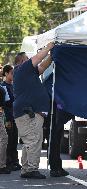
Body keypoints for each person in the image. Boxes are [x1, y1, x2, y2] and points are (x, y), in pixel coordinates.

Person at [13, 42, 54, 179]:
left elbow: (42, 67)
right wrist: (49, 47)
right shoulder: (22, 68)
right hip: (28, 113)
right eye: (27, 58)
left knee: (29, 141)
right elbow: (38, 59)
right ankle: (31, 169)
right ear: (23, 61)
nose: (30, 59)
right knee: (34, 140)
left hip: (28, 112)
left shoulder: (26, 72)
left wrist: (52, 56)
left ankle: (26, 168)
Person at [2, 65, 22, 171]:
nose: (13, 75)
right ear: (6, 74)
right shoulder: (3, 87)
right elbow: (5, 104)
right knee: (8, 140)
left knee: (15, 140)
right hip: (8, 116)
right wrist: (7, 119)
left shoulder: (14, 86)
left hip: (15, 116)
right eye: (11, 73)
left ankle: (15, 161)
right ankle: (8, 161)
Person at [49, 105, 74, 177]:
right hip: (54, 113)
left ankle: (57, 166)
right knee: (54, 141)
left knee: (57, 140)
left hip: (58, 111)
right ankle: (54, 168)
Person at [0, 84, 10, 174]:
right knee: (3, 138)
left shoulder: (2, 87)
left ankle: (2, 164)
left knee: (3, 138)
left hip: (1, 113)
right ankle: (1, 165)